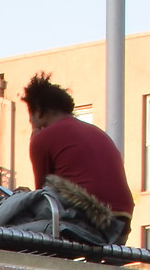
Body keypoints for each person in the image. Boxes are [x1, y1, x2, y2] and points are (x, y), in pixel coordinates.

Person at [23, 73, 133, 244]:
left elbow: (43, 195)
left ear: (37, 110)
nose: (30, 120)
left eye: (30, 113)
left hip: (87, 220)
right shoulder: (97, 132)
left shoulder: (42, 138)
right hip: (122, 224)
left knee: (15, 216)